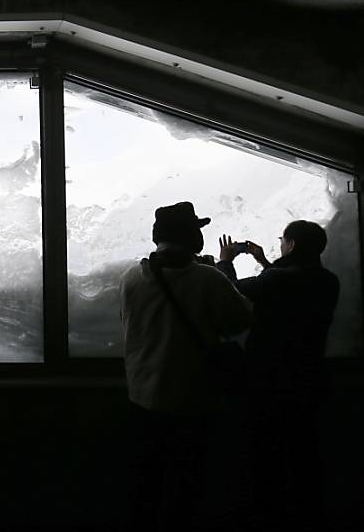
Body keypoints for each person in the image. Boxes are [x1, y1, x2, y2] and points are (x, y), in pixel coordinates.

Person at [120, 201, 253, 531]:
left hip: (142, 399)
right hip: (193, 402)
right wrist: (224, 270)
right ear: (191, 236)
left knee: (145, 485)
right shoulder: (208, 278)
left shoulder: (130, 278)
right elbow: (238, 322)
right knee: (186, 486)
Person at [216, 221, 339, 530]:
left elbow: (231, 290)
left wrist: (225, 261)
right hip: (308, 377)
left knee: (265, 452)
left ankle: (265, 513)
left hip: (267, 380)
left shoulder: (276, 280)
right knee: (304, 451)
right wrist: (264, 262)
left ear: (292, 244)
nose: (281, 244)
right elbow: (289, 285)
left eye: (284, 240)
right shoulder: (327, 281)